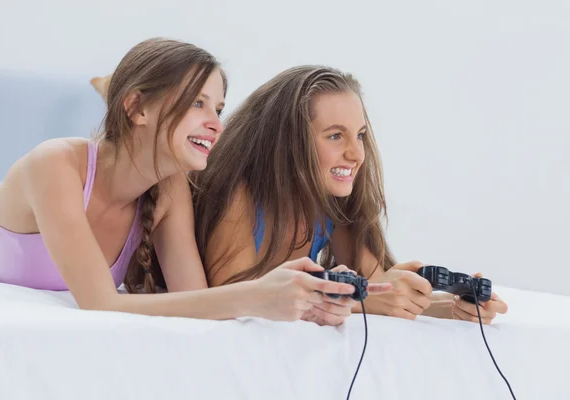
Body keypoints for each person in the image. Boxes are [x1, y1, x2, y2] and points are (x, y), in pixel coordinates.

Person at [0, 38, 392, 322]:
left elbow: (195, 297)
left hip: (28, 209)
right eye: (197, 104)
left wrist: (296, 299)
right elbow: (100, 304)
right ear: (137, 106)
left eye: (219, 109)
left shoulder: (170, 188)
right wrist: (261, 295)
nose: (216, 125)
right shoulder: (53, 164)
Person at [190, 65, 508, 325]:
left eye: (360, 135)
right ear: (288, 142)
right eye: (335, 136)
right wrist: (364, 299)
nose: (356, 154)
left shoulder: (331, 204)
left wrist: (452, 305)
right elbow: (234, 301)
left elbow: (384, 290)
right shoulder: (240, 196)